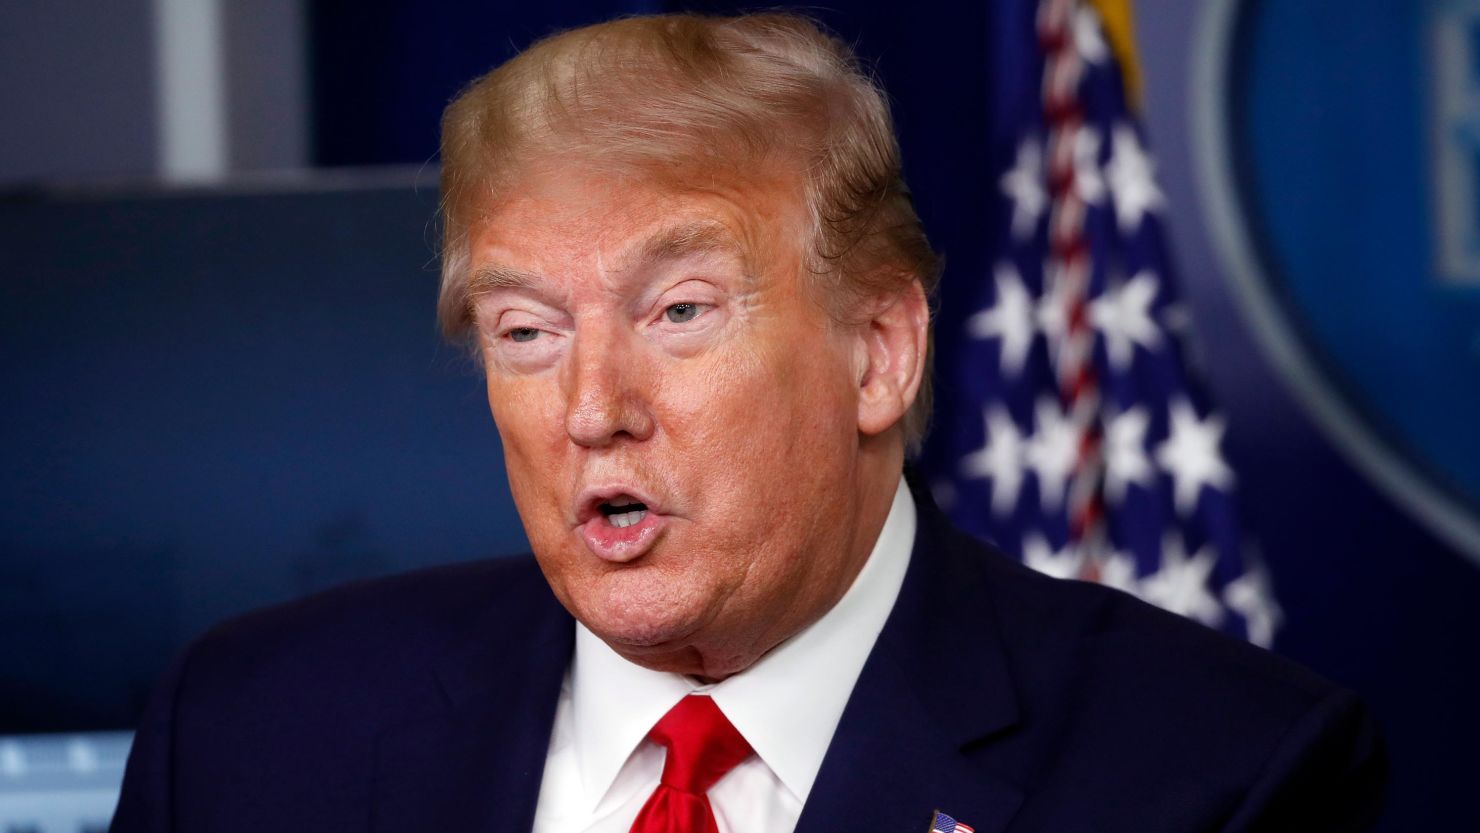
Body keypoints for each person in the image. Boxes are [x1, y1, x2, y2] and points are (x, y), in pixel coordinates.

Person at [111, 12, 1385, 833]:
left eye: (677, 310)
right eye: (525, 332)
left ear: (877, 350)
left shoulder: (1223, 776)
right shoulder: (248, 735)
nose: (593, 410)